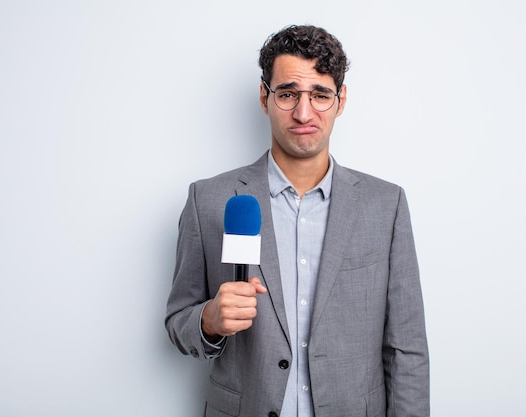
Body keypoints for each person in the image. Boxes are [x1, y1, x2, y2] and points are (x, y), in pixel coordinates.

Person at [165, 24, 430, 417]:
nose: (303, 113)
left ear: (340, 101)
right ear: (264, 97)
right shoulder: (210, 200)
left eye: (320, 95)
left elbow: (406, 348)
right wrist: (208, 320)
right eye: (288, 94)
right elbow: (177, 322)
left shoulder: (385, 204)